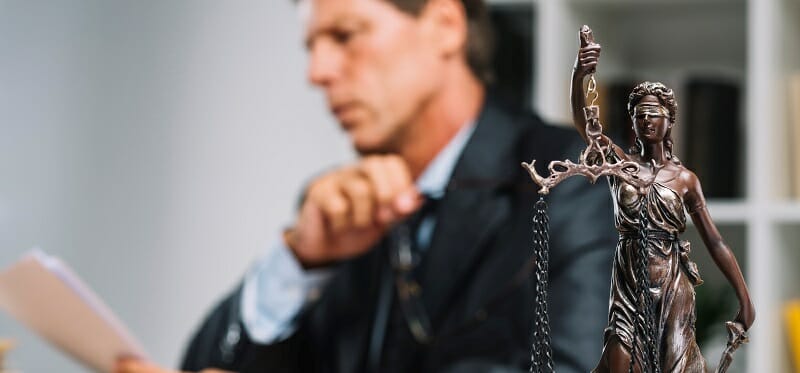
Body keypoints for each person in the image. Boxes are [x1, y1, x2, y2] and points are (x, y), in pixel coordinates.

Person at [116, 0, 617, 372]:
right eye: (312, 47)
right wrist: (300, 261)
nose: (317, 73)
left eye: (346, 35)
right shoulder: (336, 214)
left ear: (444, 26)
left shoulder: (575, 180)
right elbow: (205, 362)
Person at [571, 34, 755, 372]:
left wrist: (744, 299)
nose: (647, 120)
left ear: (669, 120)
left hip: (672, 283)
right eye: (639, 115)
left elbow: (715, 241)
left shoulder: (685, 179)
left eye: (654, 113)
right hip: (628, 281)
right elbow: (586, 128)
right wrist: (580, 74)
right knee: (620, 362)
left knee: (675, 363)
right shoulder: (620, 166)